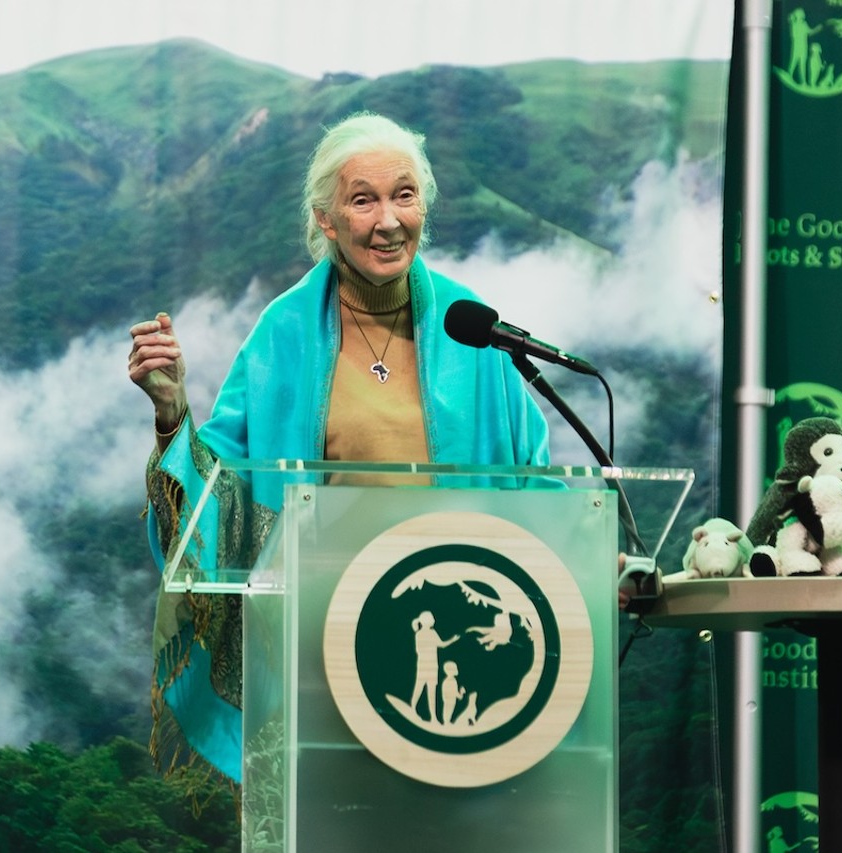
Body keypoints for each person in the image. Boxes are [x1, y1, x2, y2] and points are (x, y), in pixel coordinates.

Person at [127, 111, 552, 784]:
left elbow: (538, 485)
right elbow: (222, 503)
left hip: (458, 661)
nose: (389, 219)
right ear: (326, 220)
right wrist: (173, 413)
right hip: (324, 656)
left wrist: (589, 556)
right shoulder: (284, 334)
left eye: (404, 195)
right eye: (364, 199)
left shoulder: (473, 328)